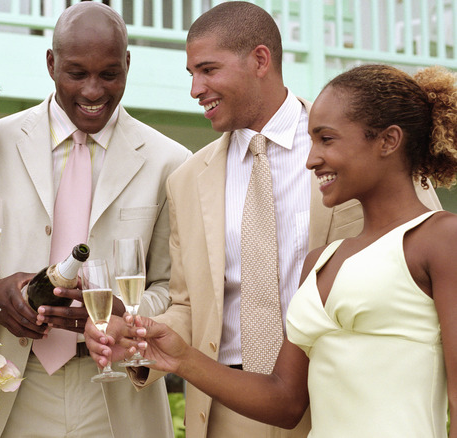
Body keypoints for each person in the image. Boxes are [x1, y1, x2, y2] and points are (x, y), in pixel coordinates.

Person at [84, 2, 442, 438]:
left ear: (259, 60)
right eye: (190, 74)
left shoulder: (357, 143)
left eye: (208, 70)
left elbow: (419, 254)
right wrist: (139, 337)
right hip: (226, 403)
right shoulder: (186, 180)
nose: (196, 89)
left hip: (337, 402)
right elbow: (188, 304)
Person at [0, 2, 191, 437]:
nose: (94, 91)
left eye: (109, 74)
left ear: (128, 65)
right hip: (12, 383)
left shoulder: (170, 162)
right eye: (77, 73)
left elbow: (171, 290)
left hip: (119, 391)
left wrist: (126, 313)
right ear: (51, 63)